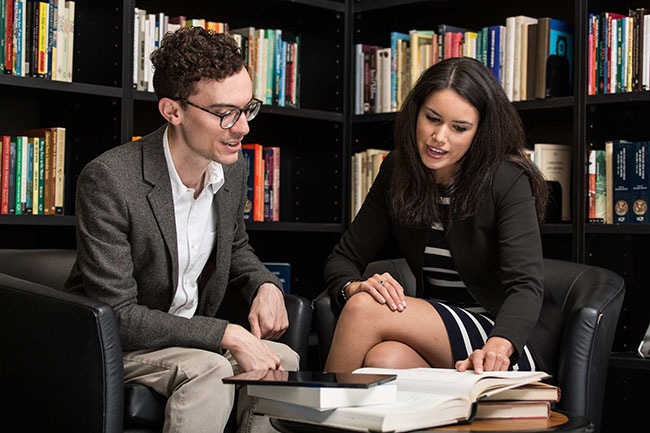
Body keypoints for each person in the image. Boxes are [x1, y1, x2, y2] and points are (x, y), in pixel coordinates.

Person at [64, 27, 299, 433]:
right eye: (226, 112)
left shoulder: (230, 164)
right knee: (208, 369)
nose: (243, 127)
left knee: (286, 361)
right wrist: (229, 334)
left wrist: (265, 285)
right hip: (116, 345)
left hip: (188, 339)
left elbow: (235, 245)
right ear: (172, 111)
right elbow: (118, 316)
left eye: (248, 109)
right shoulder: (109, 179)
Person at [324, 57, 563, 376]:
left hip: (504, 341)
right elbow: (343, 258)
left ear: (481, 131)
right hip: (438, 332)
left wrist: (499, 345)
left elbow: (526, 285)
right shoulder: (398, 170)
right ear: (416, 113)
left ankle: (316, 419)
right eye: (432, 119)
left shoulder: (507, 178)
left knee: (365, 309)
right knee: (384, 360)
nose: (439, 137)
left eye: (459, 128)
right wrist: (353, 287)